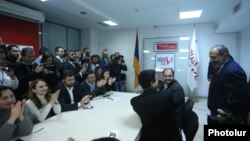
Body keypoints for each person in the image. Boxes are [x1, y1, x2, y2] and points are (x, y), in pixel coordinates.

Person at [130, 69, 181, 141]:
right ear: (152, 83)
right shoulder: (167, 95)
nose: (158, 81)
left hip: (150, 136)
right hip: (169, 136)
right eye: (157, 79)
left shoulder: (134, 102)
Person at [207, 44, 250, 124]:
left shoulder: (233, 71)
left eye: (213, 57)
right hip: (216, 110)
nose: (211, 60)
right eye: (210, 57)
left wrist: (230, 114)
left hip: (225, 115)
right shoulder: (218, 65)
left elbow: (244, 97)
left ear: (224, 55)